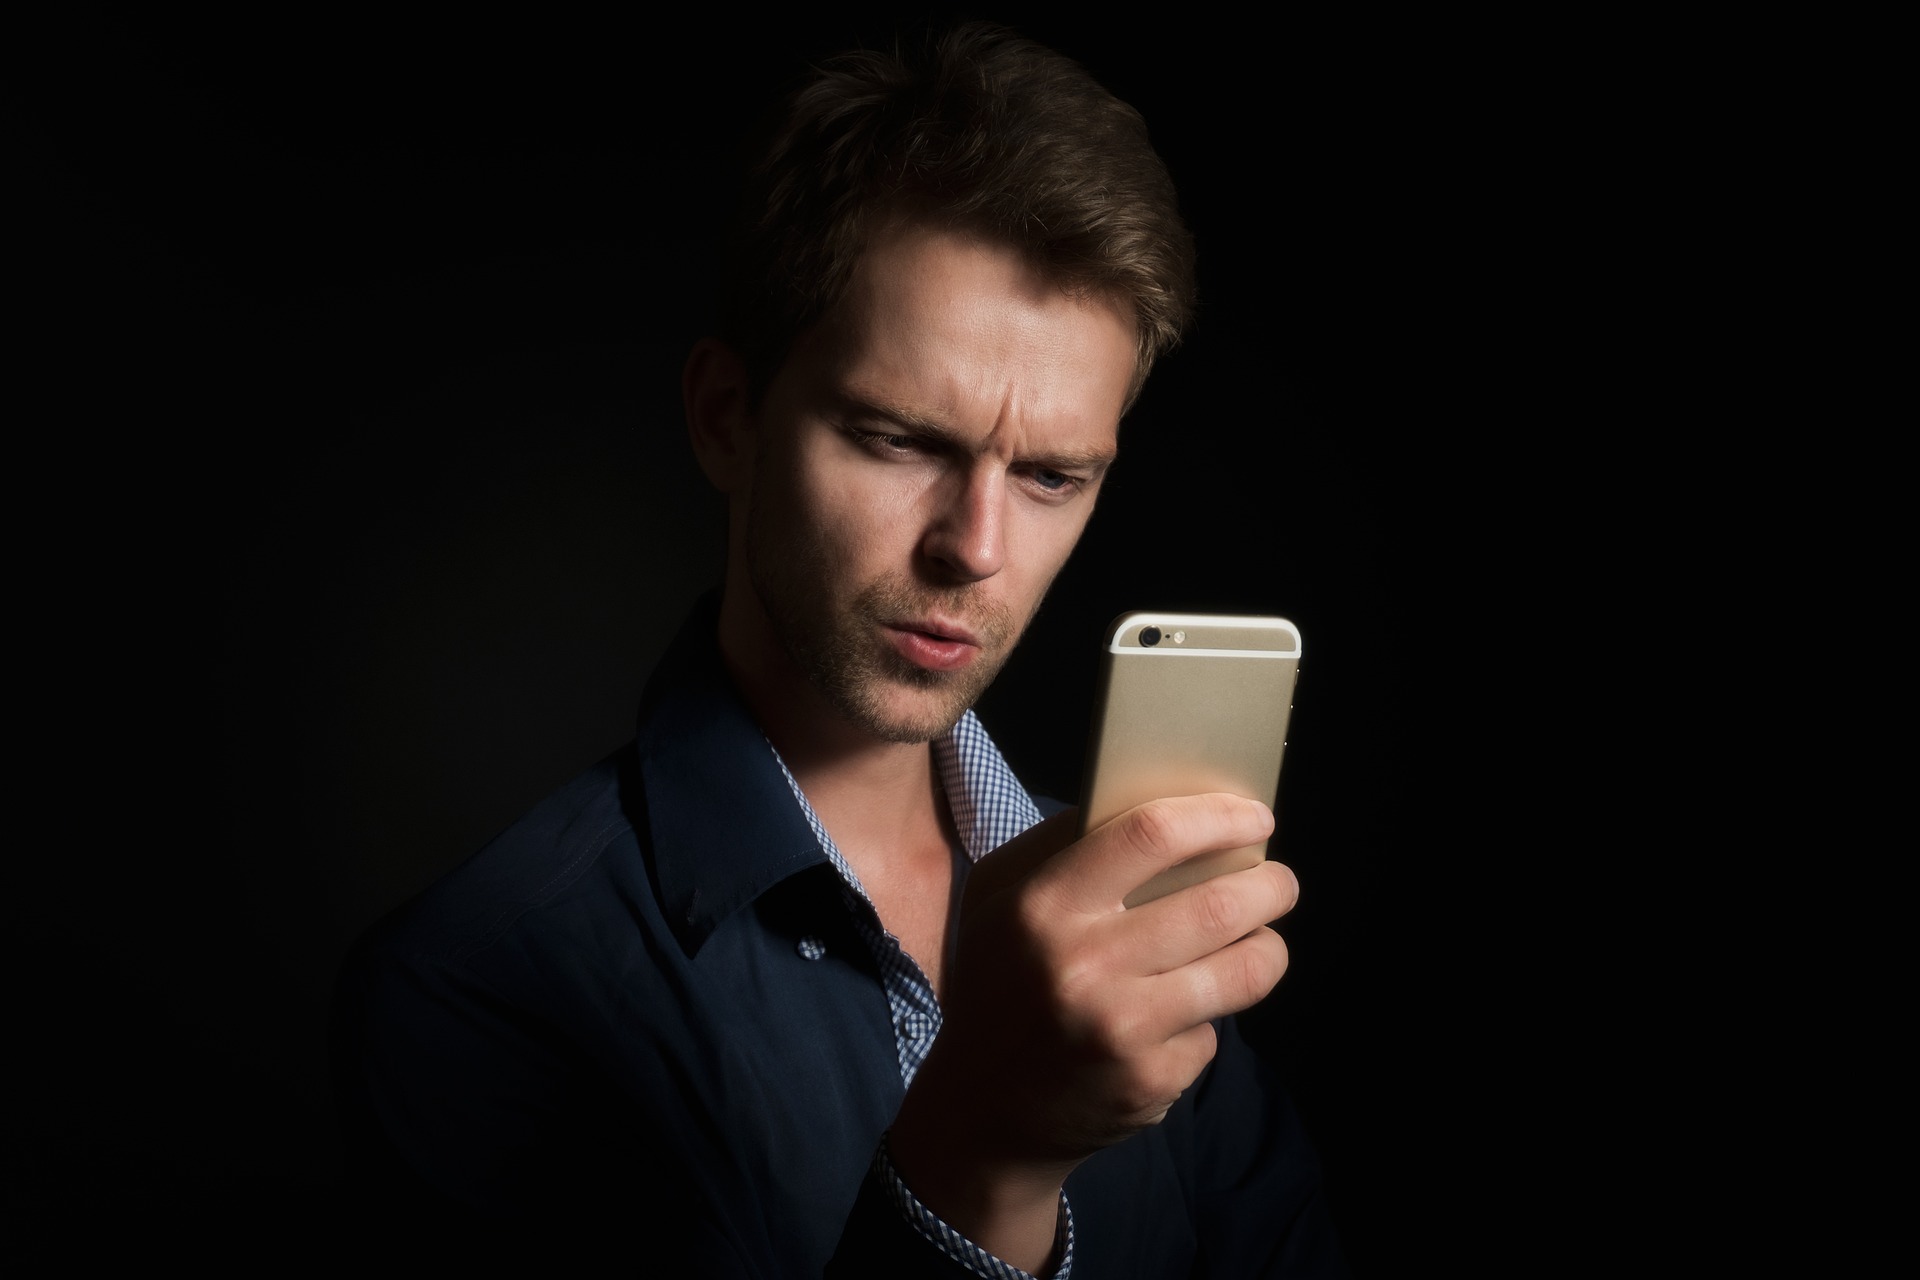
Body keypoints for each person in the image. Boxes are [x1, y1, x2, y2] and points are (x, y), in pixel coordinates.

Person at [330, 22, 1347, 1278]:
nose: (975, 548)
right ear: (726, 419)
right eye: (898, 438)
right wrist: (984, 1156)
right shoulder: (468, 991)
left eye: (1050, 475)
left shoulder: (1133, 907)